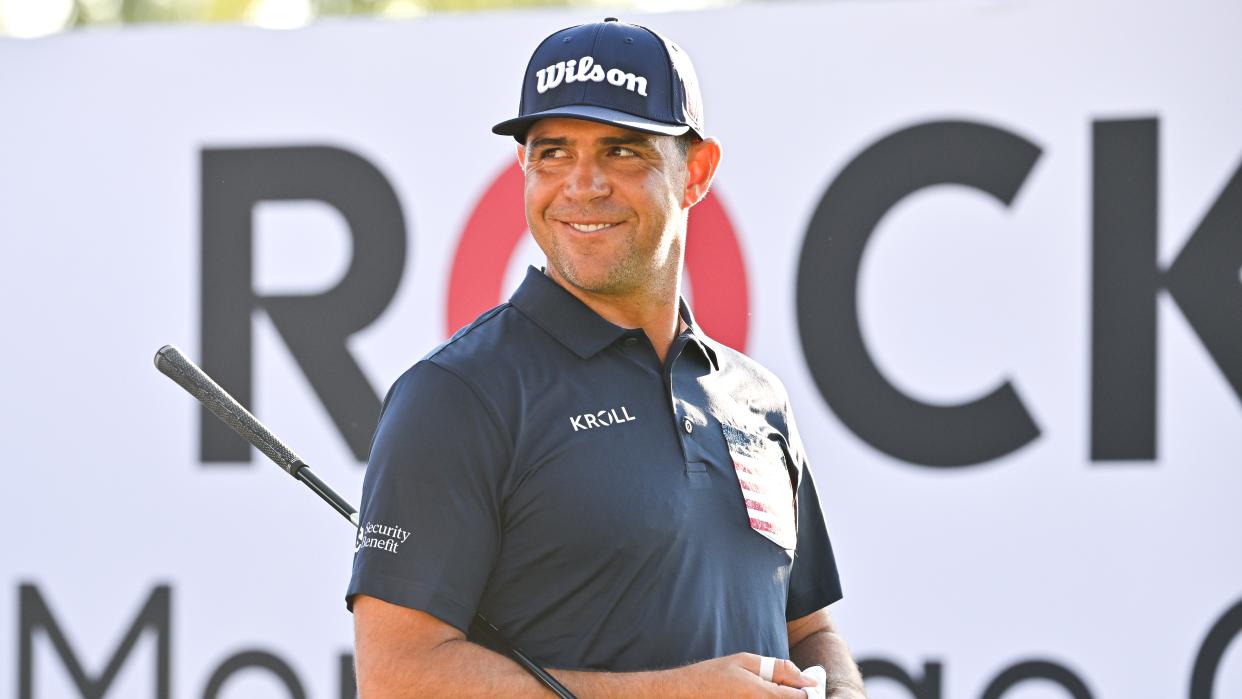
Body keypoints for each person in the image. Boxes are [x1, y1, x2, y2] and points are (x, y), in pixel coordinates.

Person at [347, 17, 867, 698]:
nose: (581, 186)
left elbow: (807, 630)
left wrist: (846, 689)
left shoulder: (754, 397)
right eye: (552, 153)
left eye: (623, 151)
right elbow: (399, 677)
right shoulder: (457, 394)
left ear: (697, 172)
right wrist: (676, 694)